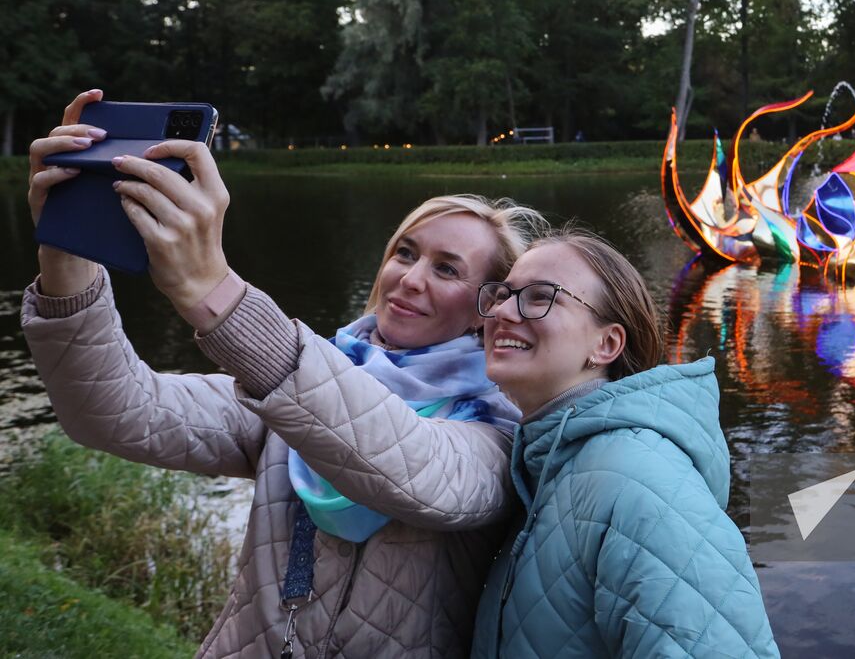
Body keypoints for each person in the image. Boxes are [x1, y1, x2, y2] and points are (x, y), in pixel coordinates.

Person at [21, 89, 544, 658]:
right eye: (405, 252)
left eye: (446, 269)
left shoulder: (502, 425)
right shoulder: (302, 381)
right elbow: (117, 412)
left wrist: (212, 289)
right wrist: (65, 256)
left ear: (486, 308)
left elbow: (417, 471)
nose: (411, 279)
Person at [470, 228, 780, 658]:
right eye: (503, 294)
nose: (503, 311)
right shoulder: (548, 460)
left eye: (540, 296)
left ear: (607, 343)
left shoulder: (639, 479)